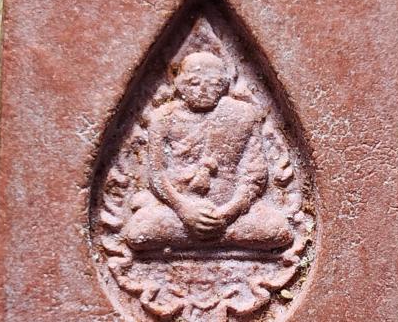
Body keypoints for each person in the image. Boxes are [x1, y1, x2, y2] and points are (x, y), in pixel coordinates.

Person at [124, 51, 293, 250]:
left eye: (213, 83)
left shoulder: (243, 115)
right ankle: (215, 239)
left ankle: (204, 237)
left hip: (232, 212)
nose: (203, 90)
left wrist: (227, 214)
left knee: (278, 230)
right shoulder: (163, 118)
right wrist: (184, 209)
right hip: (178, 210)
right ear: (179, 84)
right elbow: (157, 175)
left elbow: (254, 176)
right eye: (194, 83)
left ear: (224, 86)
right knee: (139, 232)